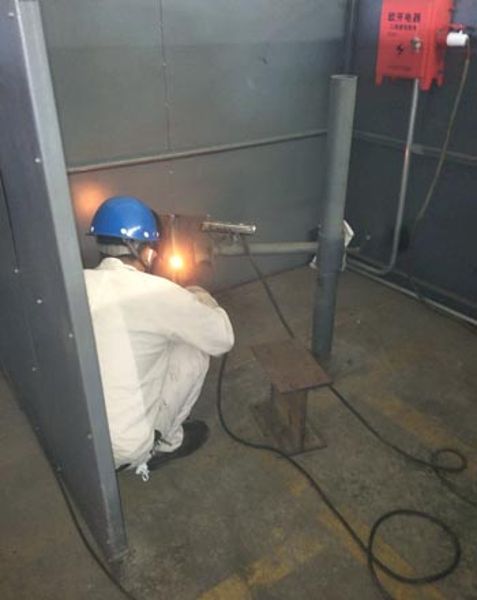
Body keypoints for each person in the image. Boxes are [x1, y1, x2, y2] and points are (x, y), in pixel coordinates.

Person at [84, 195, 234, 481]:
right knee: (192, 349)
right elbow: (222, 338)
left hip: (79, 440)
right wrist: (199, 292)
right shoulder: (156, 292)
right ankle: (165, 445)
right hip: (125, 448)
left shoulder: (76, 284)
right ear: (147, 251)